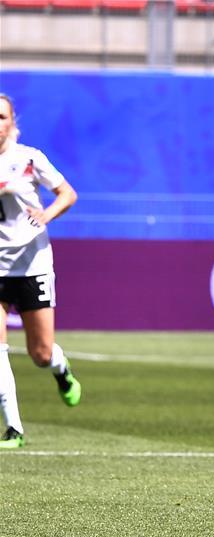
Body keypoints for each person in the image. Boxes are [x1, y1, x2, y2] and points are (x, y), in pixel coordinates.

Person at [0, 93, 82, 450]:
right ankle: (13, 428)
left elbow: (67, 193)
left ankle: (61, 371)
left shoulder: (29, 159)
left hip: (32, 265)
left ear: (12, 122)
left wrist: (46, 215)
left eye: (1, 117)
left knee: (41, 353)